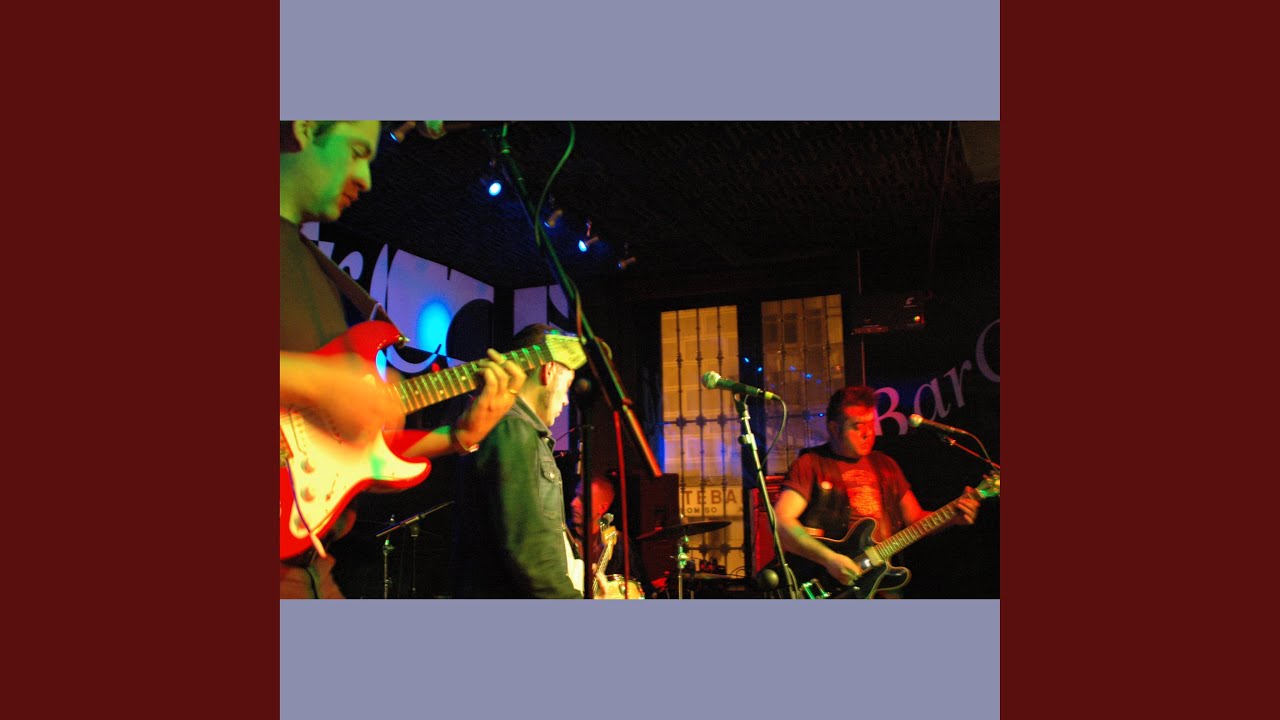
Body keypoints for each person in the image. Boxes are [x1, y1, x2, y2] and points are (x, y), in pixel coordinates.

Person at [280, 120, 527, 598]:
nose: (366, 179)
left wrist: (459, 437)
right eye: (357, 151)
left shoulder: (315, 268)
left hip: (312, 564)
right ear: (306, 128)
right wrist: (320, 382)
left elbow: (348, 454)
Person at [773, 385, 979, 598]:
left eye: (871, 424)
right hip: (829, 581)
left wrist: (953, 517)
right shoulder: (811, 464)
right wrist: (829, 559)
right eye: (857, 426)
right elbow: (781, 521)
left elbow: (915, 518)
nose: (868, 433)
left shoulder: (885, 465)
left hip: (881, 580)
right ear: (834, 428)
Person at [451, 323, 588, 598]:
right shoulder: (515, 430)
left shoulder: (518, 430)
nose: (566, 401)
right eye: (567, 385)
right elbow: (531, 557)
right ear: (549, 370)